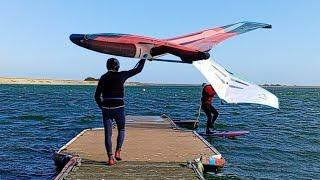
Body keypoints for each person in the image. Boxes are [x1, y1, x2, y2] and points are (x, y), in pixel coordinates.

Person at [95, 57, 146, 166]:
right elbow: (137, 70)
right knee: (121, 129)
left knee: (108, 134)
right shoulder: (121, 75)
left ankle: (110, 158)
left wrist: (102, 107)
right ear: (117, 66)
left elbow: (96, 96)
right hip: (119, 108)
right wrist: (144, 59)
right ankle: (118, 151)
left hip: (106, 109)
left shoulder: (103, 78)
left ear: (107, 66)